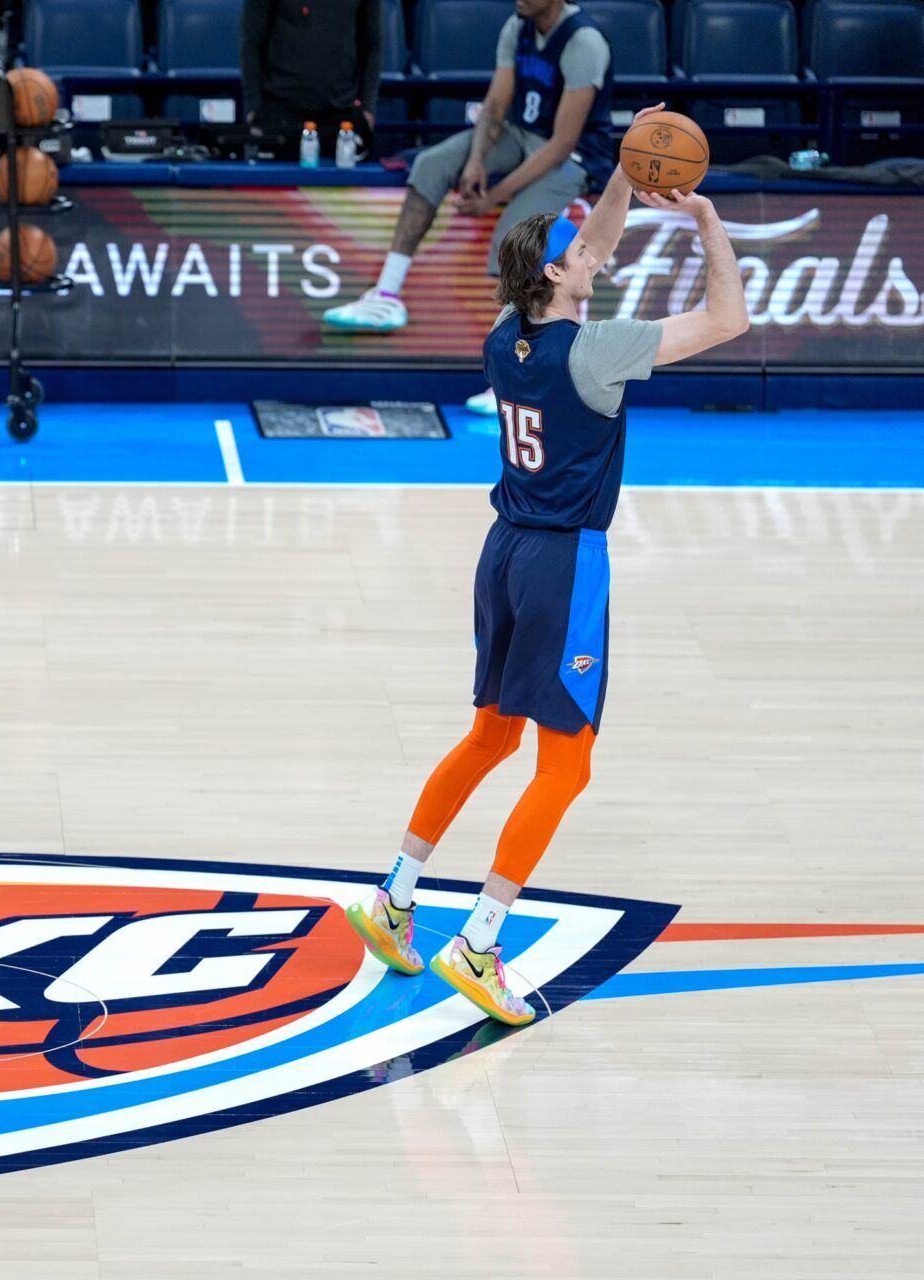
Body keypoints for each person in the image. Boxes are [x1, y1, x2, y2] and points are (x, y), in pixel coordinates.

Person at [342, 109, 749, 1025]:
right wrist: (708, 222)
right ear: (559, 275)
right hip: (567, 564)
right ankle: (480, 942)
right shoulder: (598, 352)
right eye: (579, 249)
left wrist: (620, 181)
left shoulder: (505, 332)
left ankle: (395, 897)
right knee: (566, 767)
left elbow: (588, 243)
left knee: (489, 736)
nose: (593, 248)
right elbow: (729, 318)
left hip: (504, 553)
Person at [322, 0, 614, 413]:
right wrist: (476, 160)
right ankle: (386, 294)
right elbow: (495, 108)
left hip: (573, 157)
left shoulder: (584, 41)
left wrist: (495, 196)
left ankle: (518, 377)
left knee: (517, 237)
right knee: (431, 164)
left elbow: (562, 143)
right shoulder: (518, 25)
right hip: (519, 135)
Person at [241, 0, 381, 159]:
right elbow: (252, 45)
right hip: (280, 112)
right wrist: (254, 107)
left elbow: (373, 46)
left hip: (342, 114)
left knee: (341, 183)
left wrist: (368, 107)